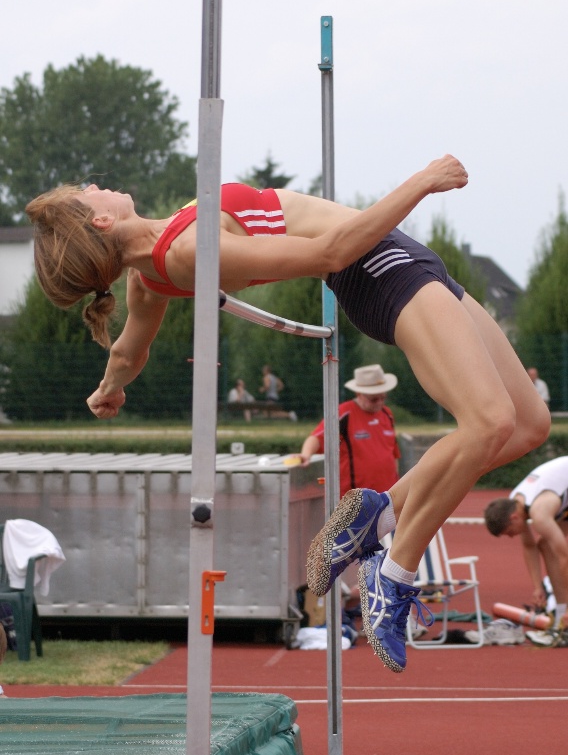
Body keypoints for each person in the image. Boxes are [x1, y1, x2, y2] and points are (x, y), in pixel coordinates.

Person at [26, 154, 550, 674]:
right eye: (85, 191)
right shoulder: (187, 250)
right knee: (487, 422)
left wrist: (108, 390)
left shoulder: (153, 270)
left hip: (405, 259)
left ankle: (378, 514)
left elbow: (127, 352)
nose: (94, 183)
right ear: (100, 220)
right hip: (377, 266)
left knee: (528, 425)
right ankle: (393, 574)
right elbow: (333, 248)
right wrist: (420, 183)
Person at [484, 456, 568, 647]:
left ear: (514, 518)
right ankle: (561, 624)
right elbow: (530, 546)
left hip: (561, 495)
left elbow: (563, 558)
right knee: (545, 545)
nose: (512, 537)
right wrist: (538, 587)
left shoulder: (539, 513)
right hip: (564, 495)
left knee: (554, 549)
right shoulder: (516, 501)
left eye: (509, 533)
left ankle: (564, 614)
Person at [295, 364, 400, 497]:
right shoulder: (344, 413)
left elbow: (393, 453)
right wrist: (306, 455)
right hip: (355, 500)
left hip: (386, 497)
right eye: (374, 399)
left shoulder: (387, 414)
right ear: (359, 394)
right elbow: (316, 437)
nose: (379, 403)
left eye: (383, 398)